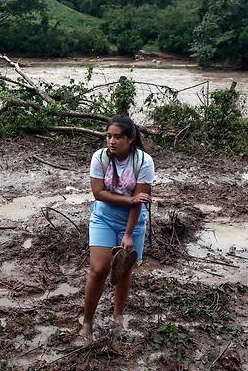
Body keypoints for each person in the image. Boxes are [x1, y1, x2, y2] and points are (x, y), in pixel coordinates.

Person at [80, 115, 155, 340]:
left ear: (130, 139)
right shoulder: (100, 157)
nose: (111, 141)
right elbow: (98, 193)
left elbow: (140, 200)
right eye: (109, 136)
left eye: (117, 137)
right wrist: (128, 199)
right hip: (103, 217)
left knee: (123, 271)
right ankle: (87, 321)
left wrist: (129, 234)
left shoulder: (143, 162)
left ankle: (118, 316)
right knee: (98, 270)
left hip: (132, 221)